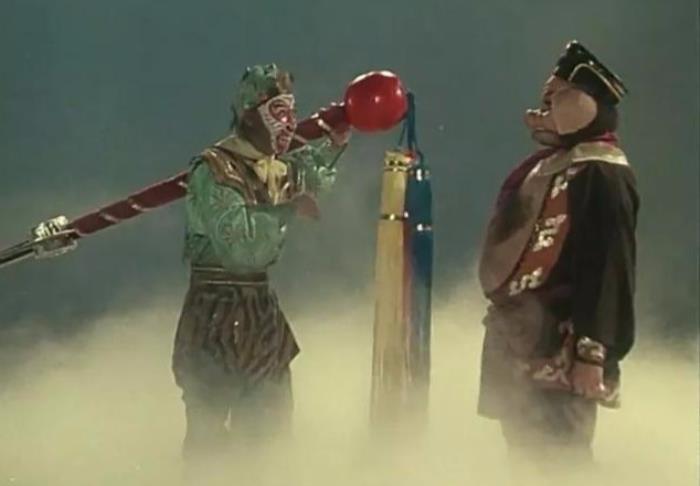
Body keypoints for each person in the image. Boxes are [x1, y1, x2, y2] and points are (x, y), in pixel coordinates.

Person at [171, 63, 350, 460]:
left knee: (269, 433)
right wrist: (288, 210)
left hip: (261, 314)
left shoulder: (271, 166)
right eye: (278, 112)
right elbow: (240, 247)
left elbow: (307, 174)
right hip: (214, 314)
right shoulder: (214, 171)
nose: (290, 123)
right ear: (251, 114)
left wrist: (334, 144)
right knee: (209, 439)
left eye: (292, 111)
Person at [477, 41, 638, 473]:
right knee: (524, 455)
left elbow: (608, 266)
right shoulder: (551, 165)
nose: (544, 106)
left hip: (561, 343)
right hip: (520, 338)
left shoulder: (601, 171)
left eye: (556, 97)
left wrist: (591, 352)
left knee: (562, 459)